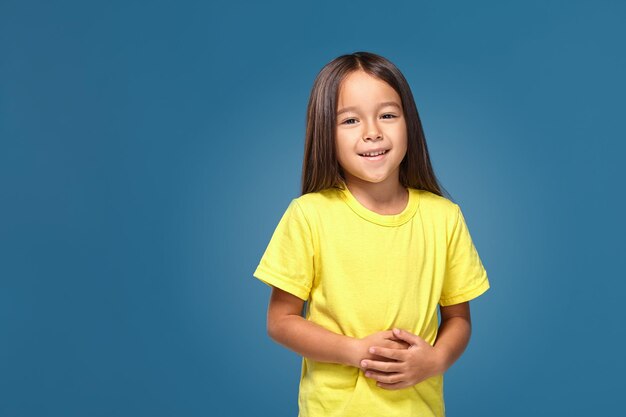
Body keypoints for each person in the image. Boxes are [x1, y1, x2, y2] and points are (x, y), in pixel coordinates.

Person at [252, 51, 490, 417]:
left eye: (388, 115)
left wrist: (436, 360)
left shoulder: (445, 218)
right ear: (324, 133)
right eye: (349, 120)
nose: (372, 132)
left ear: (409, 122)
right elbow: (280, 321)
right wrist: (355, 351)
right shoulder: (309, 215)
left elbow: (458, 319)